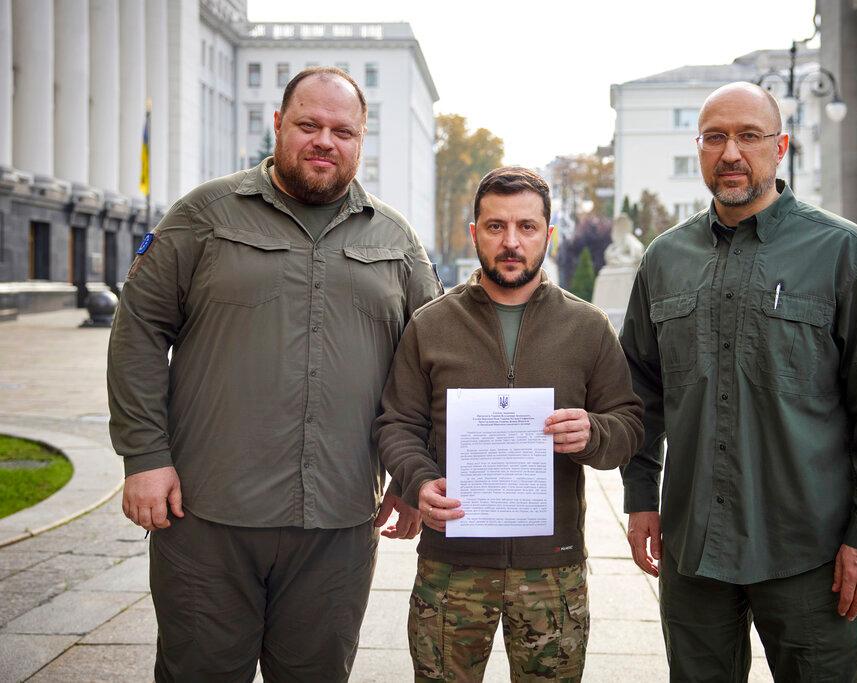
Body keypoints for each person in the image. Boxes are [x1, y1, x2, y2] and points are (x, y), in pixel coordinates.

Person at [107, 66, 441, 681]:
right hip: (207, 515)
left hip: (339, 522)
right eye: (308, 125)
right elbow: (139, 330)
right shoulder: (204, 217)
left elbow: (429, 366)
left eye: (342, 130)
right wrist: (144, 457)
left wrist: (413, 472)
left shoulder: (396, 241)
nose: (324, 141)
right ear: (279, 125)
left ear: (360, 140)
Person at [619, 82, 857, 681]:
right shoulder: (663, 259)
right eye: (715, 137)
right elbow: (639, 392)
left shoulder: (844, 253)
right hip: (694, 549)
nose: (731, 152)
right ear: (699, 148)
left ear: (780, 148)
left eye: (749, 136)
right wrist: (639, 498)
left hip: (810, 554)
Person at [374, 167, 644, 682]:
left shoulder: (586, 327)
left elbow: (628, 424)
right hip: (452, 567)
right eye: (496, 227)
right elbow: (397, 422)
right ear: (474, 232)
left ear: (549, 234)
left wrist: (593, 432)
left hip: (551, 568)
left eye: (526, 227)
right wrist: (419, 480)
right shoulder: (431, 324)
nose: (511, 242)